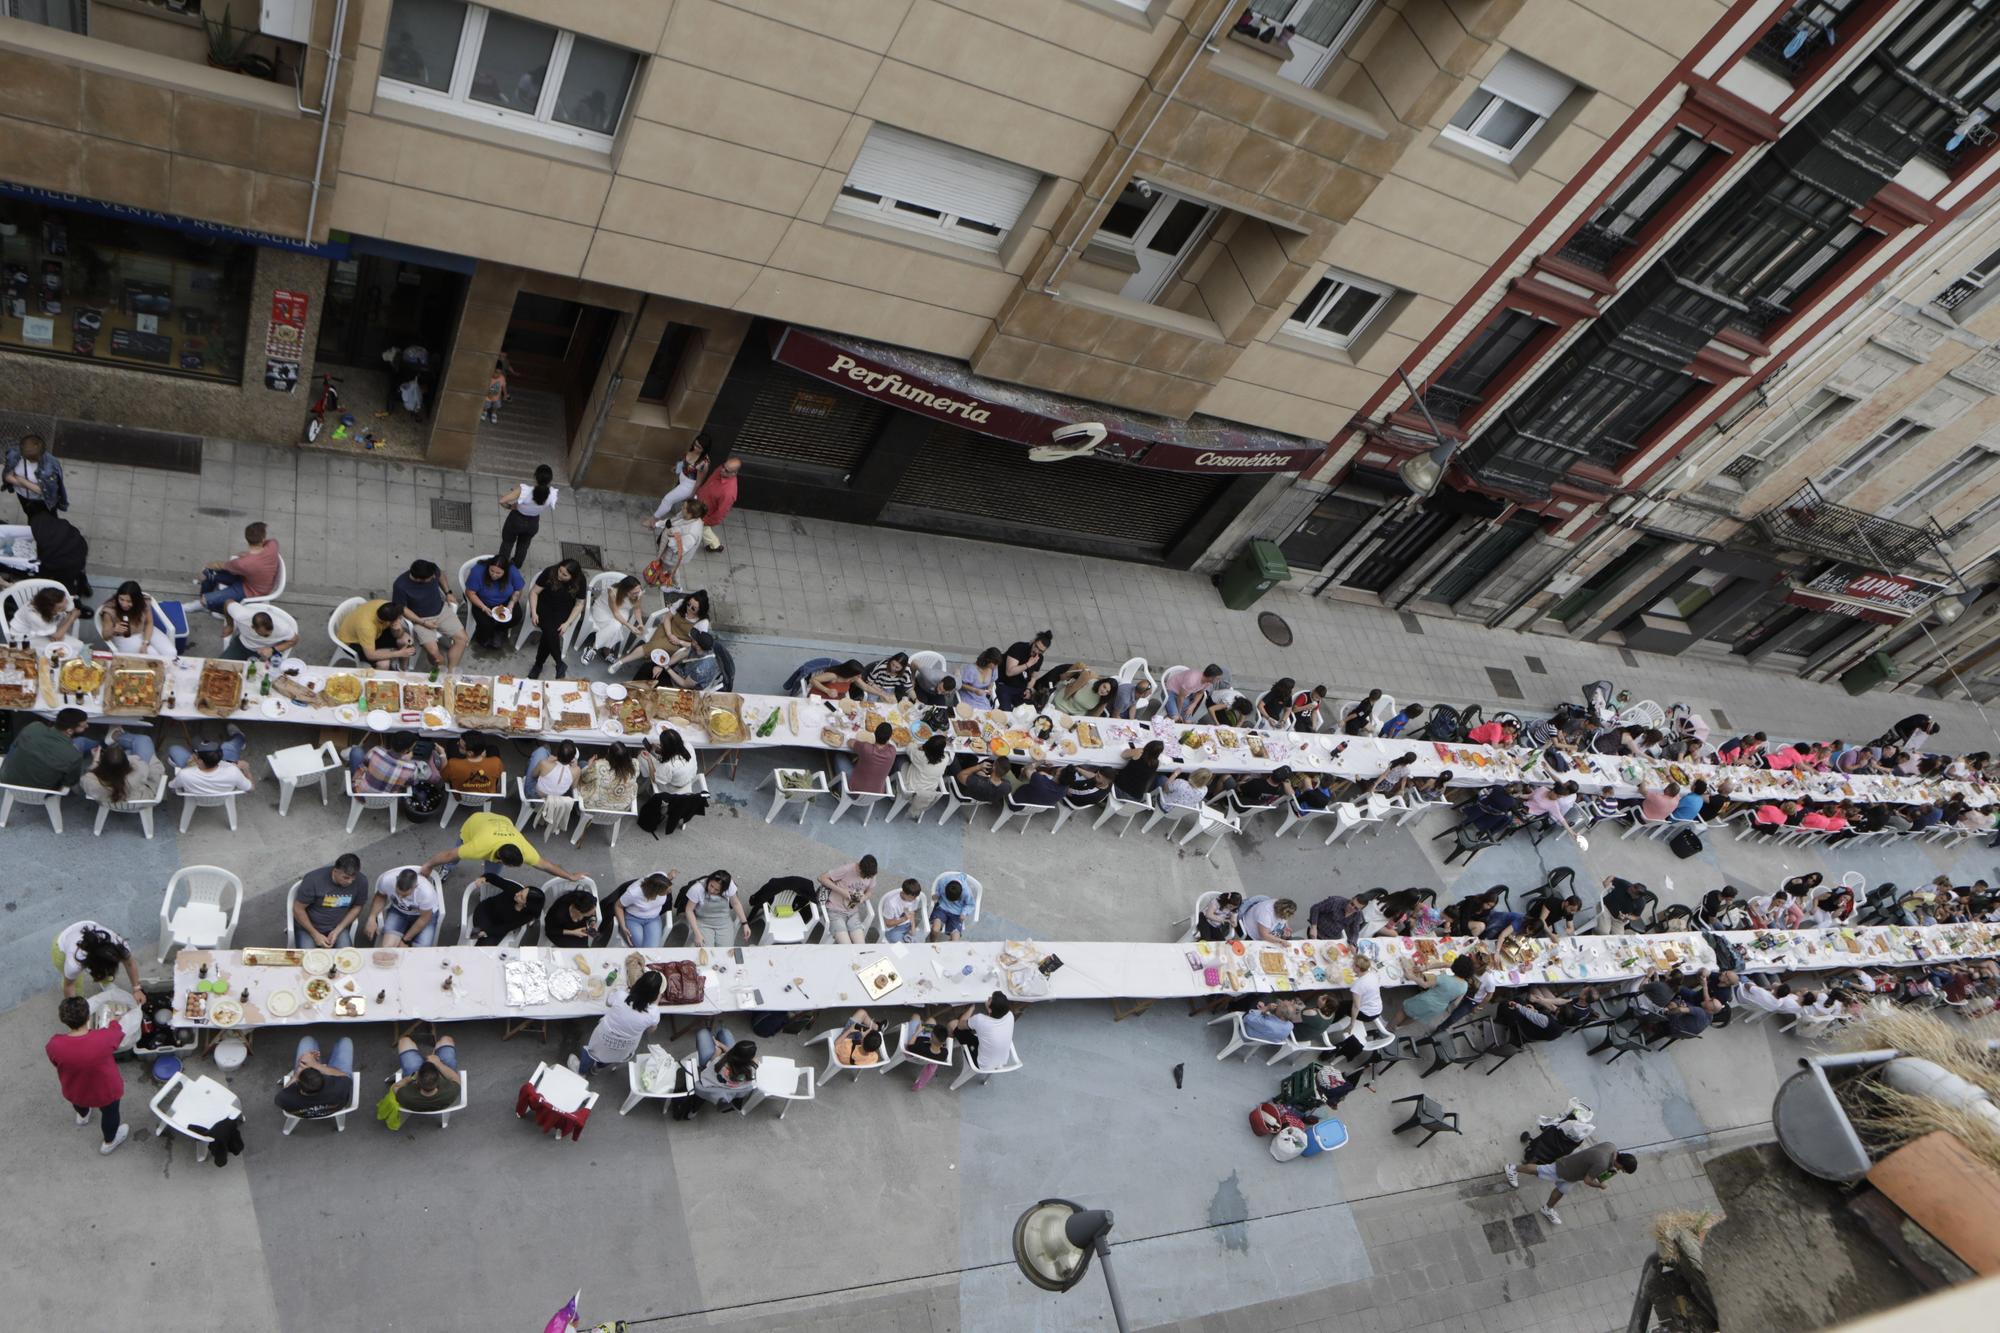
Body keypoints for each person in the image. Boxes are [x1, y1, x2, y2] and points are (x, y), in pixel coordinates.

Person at [47, 996, 129, 1154]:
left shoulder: (54, 1044)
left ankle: (83, 1116)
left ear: (64, 1020)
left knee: (80, 1103)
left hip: (76, 1090)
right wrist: (114, 1020)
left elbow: (55, 1062)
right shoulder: (103, 1038)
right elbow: (117, 1032)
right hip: (106, 1091)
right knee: (110, 1115)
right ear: (88, 1017)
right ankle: (109, 1141)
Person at [420, 810, 587, 883]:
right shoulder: (478, 847)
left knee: (492, 875)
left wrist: (570, 876)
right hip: (475, 823)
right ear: (500, 857)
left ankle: (487, 881)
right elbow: (449, 854)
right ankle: (447, 870)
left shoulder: (522, 847)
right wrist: (428, 865)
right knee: (454, 858)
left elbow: (546, 865)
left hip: (502, 821)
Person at [1504, 1142, 1637, 1226]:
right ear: (1620, 1163)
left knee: (1562, 1190)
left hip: (1573, 1171)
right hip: (1564, 1169)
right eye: (1622, 1169)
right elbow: (1587, 1180)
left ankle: (1548, 1208)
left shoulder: (1611, 1147)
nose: (1620, 1171)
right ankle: (1512, 1168)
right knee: (1538, 1170)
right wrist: (1600, 1185)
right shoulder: (1602, 1164)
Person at [569, 970, 663, 1076]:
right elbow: (651, 1030)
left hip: (605, 1037)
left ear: (637, 984)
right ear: (655, 995)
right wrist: (655, 1004)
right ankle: (596, 1070)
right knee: (610, 1057)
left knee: (592, 1052)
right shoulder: (654, 1012)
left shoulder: (621, 996)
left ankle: (582, 1072)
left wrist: (625, 992)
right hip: (625, 1045)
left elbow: (608, 1003)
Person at [390, 559, 468, 670]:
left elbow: (440, 574)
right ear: (418, 579)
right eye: (430, 578)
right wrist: (424, 623)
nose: (433, 578)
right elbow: (403, 609)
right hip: (420, 619)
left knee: (462, 639)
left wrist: (448, 592)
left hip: (441, 611)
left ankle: (451, 672)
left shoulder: (430, 569)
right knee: (435, 654)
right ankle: (439, 667)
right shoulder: (400, 585)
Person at [198, 521, 282, 612]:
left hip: (251, 591)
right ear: (262, 539)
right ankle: (210, 596)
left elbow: (219, 565)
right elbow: (263, 548)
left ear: (247, 539)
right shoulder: (273, 545)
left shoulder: (242, 563)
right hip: (257, 582)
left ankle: (217, 609)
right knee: (209, 574)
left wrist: (205, 566)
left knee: (204, 599)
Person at [1, 707, 88, 791]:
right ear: (69, 731)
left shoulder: (33, 727)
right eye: (83, 726)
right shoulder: (74, 755)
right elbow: (70, 782)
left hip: (6, 780)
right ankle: (99, 744)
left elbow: (14, 746)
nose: (87, 726)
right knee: (81, 742)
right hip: (42, 792)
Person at [53, 920, 143, 999]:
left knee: (106, 969)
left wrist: (137, 989)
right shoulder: (73, 963)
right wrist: (77, 1011)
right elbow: (69, 985)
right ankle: (80, 999)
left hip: (87, 928)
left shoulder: (118, 946)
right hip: (60, 947)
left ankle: (106, 984)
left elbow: (130, 963)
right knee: (76, 982)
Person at [525, 559, 584, 678]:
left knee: (550, 633)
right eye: (560, 571)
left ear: (573, 577)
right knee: (550, 631)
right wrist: (534, 611)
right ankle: (558, 663)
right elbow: (534, 592)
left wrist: (568, 623)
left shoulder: (580, 581)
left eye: (564, 575)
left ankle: (539, 665)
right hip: (544, 605)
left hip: (563, 609)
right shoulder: (550, 572)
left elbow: (579, 604)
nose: (559, 575)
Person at [292, 854, 367, 948]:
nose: (350, 882)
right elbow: (298, 909)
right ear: (335, 871)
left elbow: (357, 906)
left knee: (345, 958)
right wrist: (315, 934)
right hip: (310, 927)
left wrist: (338, 929)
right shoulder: (313, 880)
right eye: (346, 877)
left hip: (338, 927)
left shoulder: (361, 881)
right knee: (309, 959)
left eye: (354, 877)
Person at [276, 1034, 356, 1121]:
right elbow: (345, 1075)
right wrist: (316, 1065)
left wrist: (297, 1073)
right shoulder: (338, 1088)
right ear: (324, 1078)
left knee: (307, 1040)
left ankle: (307, 1063)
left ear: (298, 1084)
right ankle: (319, 1064)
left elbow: (286, 1089)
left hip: (303, 1114)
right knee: (346, 1041)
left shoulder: (285, 1098)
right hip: (335, 1108)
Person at [497, 464, 558, 571]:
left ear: (535, 477)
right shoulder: (552, 494)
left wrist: (511, 507)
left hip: (516, 520)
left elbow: (502, 501)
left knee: (508, 542)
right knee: (523, 545)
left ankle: (501, 565)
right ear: (550, 480)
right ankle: (515, 566)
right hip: (533, 523)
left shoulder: (524, 490)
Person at [364, 867, 444, 948]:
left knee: (421, 951)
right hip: (399, 911)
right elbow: (380, 896)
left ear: (415, 887)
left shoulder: (426, 893)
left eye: (404, 895)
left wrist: (405, 940)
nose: (400, 898)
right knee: (387, 946)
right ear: (396, 879)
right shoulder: (386, 880)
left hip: (423, 915)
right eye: (397, 893)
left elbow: (424, 919)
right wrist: (372, 918)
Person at [647, 434, 710, 536]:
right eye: (695, 444)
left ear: (704, 449)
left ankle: (654, 520)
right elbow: (683, 460)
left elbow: (698, 482)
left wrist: (692, 494)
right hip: (683, 477)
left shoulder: (703, 463)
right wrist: (676, 467)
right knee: (675, 502)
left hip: (689, 485)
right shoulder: (692, 450)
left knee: (668, 499)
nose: (695, 447)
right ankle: (676, 518)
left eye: (699, 447)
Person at [581, 574, 648, 664]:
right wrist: (629, 626)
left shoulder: (638, 593)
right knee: (616, 626)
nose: (637, 594)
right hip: (604, 610)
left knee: (616, 626)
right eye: (634, 593)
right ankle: (604, 651)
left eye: (638, 591)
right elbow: (615, 612)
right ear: (625, 591)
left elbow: (637, 609)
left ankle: (592, 649)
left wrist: (640, 623)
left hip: (623, 612)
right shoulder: (612, 591)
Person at [347, 730, 438, 796]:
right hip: (387, 798)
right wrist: (407, 761)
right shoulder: (411, 768)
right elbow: (410, 783)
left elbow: (364, 765)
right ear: (407, 750)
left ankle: (351, 783)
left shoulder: (376, 751)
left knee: (356, 751)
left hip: (360, 792)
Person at [79, 741, 163, 810]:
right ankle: (118, 736)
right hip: (140, 799)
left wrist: (96, 760)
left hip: (108, 803)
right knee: (143, 740)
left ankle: (116, 737)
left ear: (102, 765)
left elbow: (90, 775)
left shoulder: (89, 781)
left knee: (126, 751)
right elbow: (140, 763)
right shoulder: (139, 771)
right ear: (126, 763)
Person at [463, 558, 525, 651]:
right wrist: (483, 607)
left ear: (505, 572)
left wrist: (511, 604)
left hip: (504, 600)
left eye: (498, 573)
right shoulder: (478, 571)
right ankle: (482, 638)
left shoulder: (512, 572)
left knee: (516, 616)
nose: (494, 575)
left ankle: (499, 630)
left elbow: (518, 590)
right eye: (491, 570)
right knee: (486, 623)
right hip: (482, 600)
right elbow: (470, 593)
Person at [390, 1034, 462, 1113]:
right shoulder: (451, 1092)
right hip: (435, 1076)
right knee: (446, 1039)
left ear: (418, 1081)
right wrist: (438, 1063)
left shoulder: (405, 1096)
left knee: (404, 1041)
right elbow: (456, 1079)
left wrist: (411, 1077)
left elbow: (395, 1087)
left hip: (414, 1079)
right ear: (439, 1078)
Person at [96, 581, 170, 658]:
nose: (124, 604)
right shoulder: (110, 610)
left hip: (144, 629)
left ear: (137, 601)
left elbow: (149, 622)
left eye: (129, 601)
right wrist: (114, 629)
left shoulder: (143, 603)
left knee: (170, 652)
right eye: (121, 599)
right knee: (154, 656)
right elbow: (105, 635)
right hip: (125, 637)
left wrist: (145, 642)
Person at [336, 597, 417, 667]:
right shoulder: (366, 627)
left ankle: (403, 670)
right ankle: (377, 681)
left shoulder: (384, 606)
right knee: (384, 663)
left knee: (406, 640)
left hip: (374, 633)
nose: (400, 619)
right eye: (399, 618)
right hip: (353, 642)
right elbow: (370, 655)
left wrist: (398, 629)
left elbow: (399, 635)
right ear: (388, 622)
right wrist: (399, 653)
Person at [466, 875, 543, 945]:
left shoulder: (527, 916)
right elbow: (496, 879)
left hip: (500, 926)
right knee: (479, 932)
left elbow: (506, 928)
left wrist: (487, 932)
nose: (517, 894)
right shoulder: (515, 889)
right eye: (521, 891)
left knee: (487, 945)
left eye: (521, 897)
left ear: (526, 905)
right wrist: (484, 878)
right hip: (486, 911)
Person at [4, 432, 68, 518]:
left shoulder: (51, 465)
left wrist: (20, 479)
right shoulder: (14, 455)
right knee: (31, 517)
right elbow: (7, 477)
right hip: (23, 497)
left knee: (50, 520)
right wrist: (31, 486)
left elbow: (42, 490)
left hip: (43, 501)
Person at [1401, 956, 1474, 1030]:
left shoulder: (1444, 977)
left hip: (1426, 1000)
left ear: (1456, 966)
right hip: (1438, 1008)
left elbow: (1425, 985)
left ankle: (1390, 1028)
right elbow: (1455, 1004)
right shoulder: (1465, 986)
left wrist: (1412, 977)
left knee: (1404, 1011)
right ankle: (1399, 1027)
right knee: (1416, 1016)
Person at [693, 1028, 759, 1108]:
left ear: (734, 1050)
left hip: (713, 1071)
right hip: (733, 1086)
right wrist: (721, 1045)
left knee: (703, 1032)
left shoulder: (720, 1064)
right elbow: (736, 1056)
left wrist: (718, 1052)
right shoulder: (753, 1067)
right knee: (724, 1032)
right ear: (750, 1058)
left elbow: (709, 1065)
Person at [8, 584, 85, 653]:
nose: (65, 605)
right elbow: (58, 636)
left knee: (73, 646)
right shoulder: (35, 617)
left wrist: (55, 633)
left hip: (42, 628)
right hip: (25, 638)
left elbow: (70, 609)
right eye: (60, 608)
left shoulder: (60, 598)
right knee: (63, 649)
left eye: (66, 601)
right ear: (49, 609)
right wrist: (72, 617)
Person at [819, 856, 878, 945]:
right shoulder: (847, 869)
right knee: (847, 946)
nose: (865, 878)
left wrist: (863, 898)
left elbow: (870, 891)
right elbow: (821, 878)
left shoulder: (871, 874)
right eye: (863, 875)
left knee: (861, 946)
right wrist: (842, 891)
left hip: (853, 913)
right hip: (836, 912)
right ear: (859, 867)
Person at [168, 743, 255, 802]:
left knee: (174, 748)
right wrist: (246, 770)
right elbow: (251, 788)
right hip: (222, 795)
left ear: (200, 761)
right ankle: (239, 736)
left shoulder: (185, 774)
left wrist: (188, 767)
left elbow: (172, 786)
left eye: (196, 754)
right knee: (228, 745)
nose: (194, 755)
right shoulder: (233, 771)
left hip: (195, 797)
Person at [953, 992, 1017, 1070]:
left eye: (990, 999)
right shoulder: (1010, 1015)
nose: (988, 997)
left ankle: (947, 1045)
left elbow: (960, 1025)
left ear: (990, 1010)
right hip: (1001, 1061)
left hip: (981, 1064)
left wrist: (971, 1008)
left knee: (953, 1024)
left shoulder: (980, 1019)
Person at [683, 869, 748, 945]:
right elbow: (689, 910)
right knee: (704, 948)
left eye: (717, 890)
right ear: (709, 880)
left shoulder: (730, 886)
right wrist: (697, 933)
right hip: (703, 922)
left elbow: (735, 903)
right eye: (711, 885)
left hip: (724, 922)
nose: (712, 890)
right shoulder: (697, 889)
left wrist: (745, 923)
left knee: (726, 951)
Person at [613, 872, 677, 948]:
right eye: (667, 891)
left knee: (651, 948)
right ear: (656, 891)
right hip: (633, 919)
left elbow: (665, 879)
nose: (670, 891)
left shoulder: (660, 877)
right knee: (641, 948)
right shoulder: (633, 893)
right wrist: (623, 927)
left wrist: (671, 875)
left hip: (653, 919)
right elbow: (618, 906)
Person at [654, 496, 708, 585]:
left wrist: (671, 535)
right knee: (673, 569)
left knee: (662, 569)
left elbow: (680, 549)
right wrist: (658, 524)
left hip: (671, 558)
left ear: (690, 514)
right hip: (671, 557)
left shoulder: (691, 533)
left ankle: (658, 582)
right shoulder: (686, 516)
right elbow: (673, 520)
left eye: (683, 508)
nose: (681, 508)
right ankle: (677, 585)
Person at [221, 603, 300, 662]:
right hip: (242, 645)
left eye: (270, 632)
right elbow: (227, 603)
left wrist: (273, 649)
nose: (268, 635)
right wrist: (230, 625)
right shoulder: (240, 616)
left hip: (267, 652)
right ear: (253, 627)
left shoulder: (282, 627)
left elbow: (295, 640)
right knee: (220, 666)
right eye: (265, 635)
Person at [695, 455, 742, 551]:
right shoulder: (721, 469)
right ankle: (715, 544)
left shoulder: (729, 493)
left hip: (705, 513)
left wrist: (706, 521)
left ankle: (715, 545)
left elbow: (721, 513)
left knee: (704, 529)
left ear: (734, 473)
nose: (722, 470)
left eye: (726, 470)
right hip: (699, 502)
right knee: (703, 529)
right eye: (724, 466)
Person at [576, 745, 640, 813]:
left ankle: (578, 810)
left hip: (594, 806)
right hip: (620, 809)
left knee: (582, 763)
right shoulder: (634, 765)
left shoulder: (599, 766)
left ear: (610, 756)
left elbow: (585, 778)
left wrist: (589, 766)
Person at [997, 630, 1052, 709]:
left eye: (1041, 651)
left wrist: (1028, 689)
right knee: (1006, 711)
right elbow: (1009, 672)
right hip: (1005, 684)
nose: (1036, 651)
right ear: (1034, 641)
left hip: (1020, 688)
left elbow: (1034, 677)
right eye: (1036, 646)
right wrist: (1028, 664)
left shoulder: (1039, 658)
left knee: (1030, 710)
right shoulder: (1019, 648)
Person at [901, 735, 951, 816]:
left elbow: (909, 747)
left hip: (912, 786)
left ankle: (895, 790)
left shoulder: (921, 756)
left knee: (900, 759)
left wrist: (919, 747)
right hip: (930, 789)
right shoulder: (946, 758)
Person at [845, 722, 899, 795]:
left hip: (854, 790)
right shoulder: (892, 751)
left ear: (874, 733)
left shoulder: (866, 748)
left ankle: (840, 790)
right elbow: (888, 744)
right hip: (876, 794)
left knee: (839, 757)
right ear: (889, 738)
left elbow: (849, 742)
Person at [1163, 664, 1227, 722]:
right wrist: (1179, 713)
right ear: (1211, 677)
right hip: (1170, 691)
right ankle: (1165, 720)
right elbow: (1180, 697)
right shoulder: (1192, 680)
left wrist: (1193, 705)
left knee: (1188, 721)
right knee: (1176, 718)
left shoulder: (1208, 682)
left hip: (1184, 695)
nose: (1218, 681)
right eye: (1217, 679)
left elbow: (1200, 693)